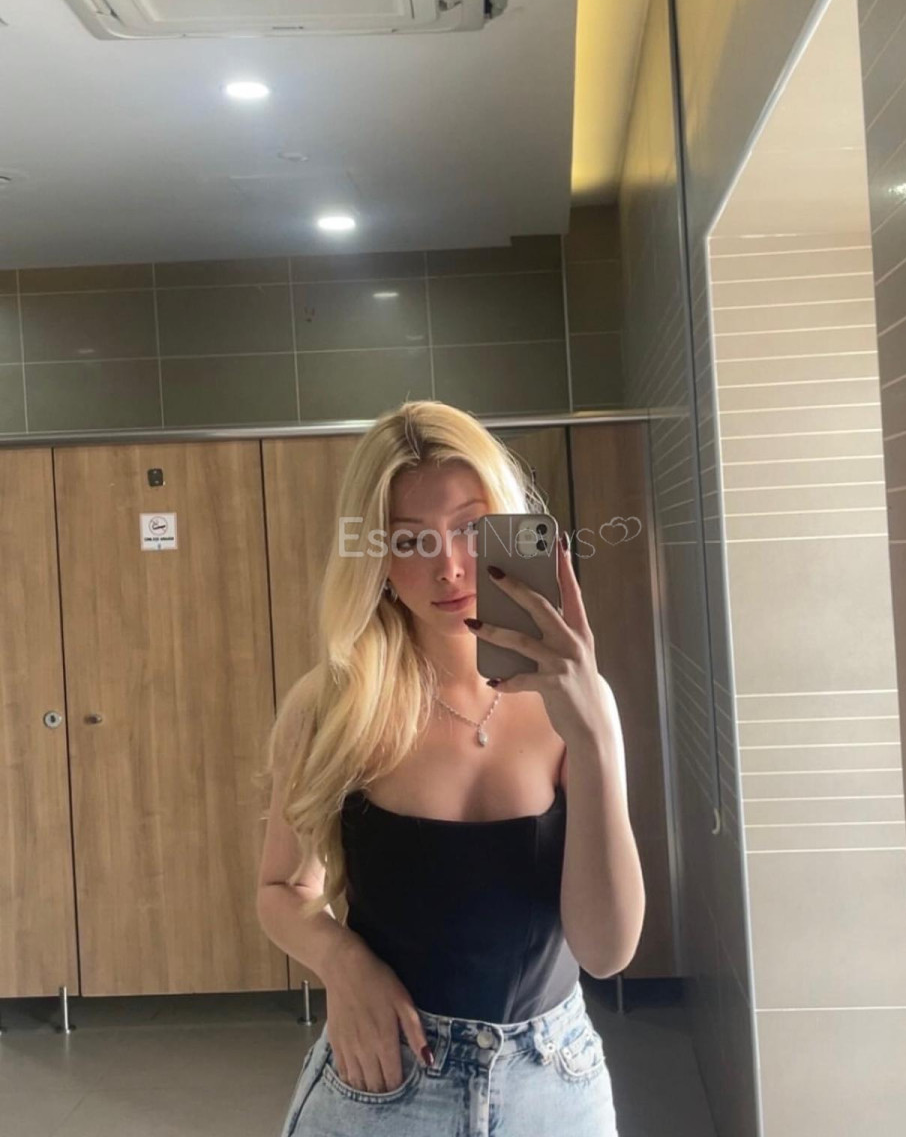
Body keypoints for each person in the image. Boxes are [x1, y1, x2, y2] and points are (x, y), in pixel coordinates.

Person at [256, 400, 645, 1137]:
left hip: (552, 1081)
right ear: (375, 560)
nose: (449, 566)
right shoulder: (333, 706)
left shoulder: (579, 706)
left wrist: (592, 736)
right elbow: (281, 890)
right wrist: (343, 962)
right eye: (410, 539)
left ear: (510, 528)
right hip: (383, 1079)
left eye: (470, 527)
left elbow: (605, 951)